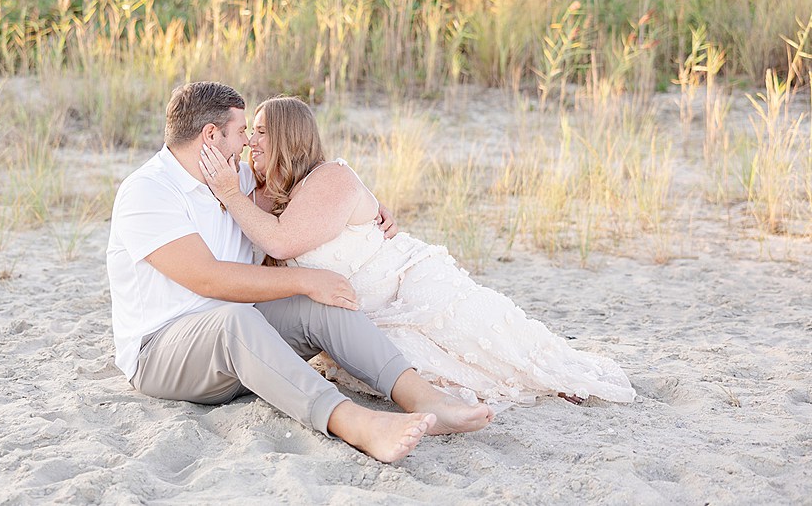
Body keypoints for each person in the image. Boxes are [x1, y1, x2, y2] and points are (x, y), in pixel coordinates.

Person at [107, 82, 494, 464]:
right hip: (161, 353)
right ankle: (354, 423)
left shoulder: (234, 179)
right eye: (242, 131)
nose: (246, 142)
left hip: (239, 335)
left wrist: (369, 206)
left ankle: (423, 399)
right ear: (211, 134)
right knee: (239, 318)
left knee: (321, 306)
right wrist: (306, 279)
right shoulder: (147, 191)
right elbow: (208, 278)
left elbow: (305, 187)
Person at [199, 96, 637, 407]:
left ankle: (552, 379)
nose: (251, 142)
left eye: (260, 132)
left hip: (407, 281)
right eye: (249, 133)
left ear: (289, 137)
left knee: (491, 343)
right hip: (367, 314)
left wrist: (229, 194)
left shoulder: (329, 177)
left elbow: (280, 241)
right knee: (413, 371)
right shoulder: (257, 196)